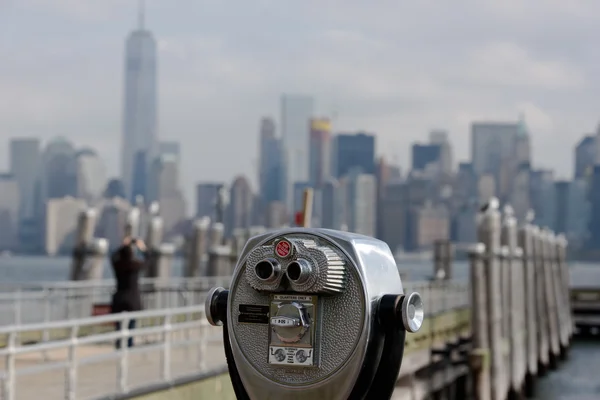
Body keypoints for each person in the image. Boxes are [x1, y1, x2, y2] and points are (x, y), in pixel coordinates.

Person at [110, 236, 147, 349]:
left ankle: (119, 346)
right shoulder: (135, 266)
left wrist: (123, 246)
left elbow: (112, 257)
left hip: (119, 299)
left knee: (119, 327)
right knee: (131, 327)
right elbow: (148, 260)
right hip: (132, 301)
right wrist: (143, 248)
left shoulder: (118, 265)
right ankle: (129, 347)